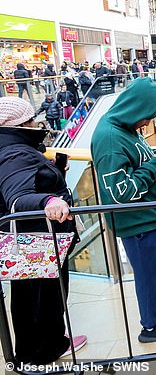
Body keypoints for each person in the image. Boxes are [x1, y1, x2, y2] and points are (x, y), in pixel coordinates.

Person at [90, 78, 156, 343]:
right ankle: (150, 326)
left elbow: (136, 160)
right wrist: (154, 163)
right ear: (136, 109)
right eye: (147, 117)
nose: (148, 123)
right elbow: (120, 192)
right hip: (136, 220)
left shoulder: (126, 129)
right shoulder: (110, 138)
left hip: (151, 214)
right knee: (150, 273)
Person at [0, 97, 87, 364]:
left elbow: (28, 179)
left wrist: (55, 170)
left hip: (32, 240)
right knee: (42, 299)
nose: (38, 123)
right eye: (32, 120)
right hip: (36, 240)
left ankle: (44, 346)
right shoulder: (15, 152)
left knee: (34, 297)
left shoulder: (12, 148)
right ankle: (40, 354)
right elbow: (17, 197)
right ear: (21, 125)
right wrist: (49, 200)